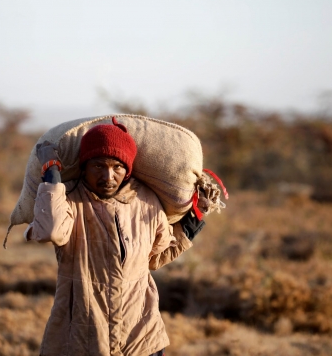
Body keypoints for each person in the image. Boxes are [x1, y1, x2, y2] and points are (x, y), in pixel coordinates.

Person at [25, 117, 205, 356]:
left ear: (127, 171)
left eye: (117, 167)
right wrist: (52, 177)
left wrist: (188, 231)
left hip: (140, 336)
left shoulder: (146, 202)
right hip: (82, 337)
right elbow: (51, 230)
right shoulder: (69, 200)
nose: (108, 176)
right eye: (98, 166)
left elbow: (152, 259)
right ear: (84, 167)